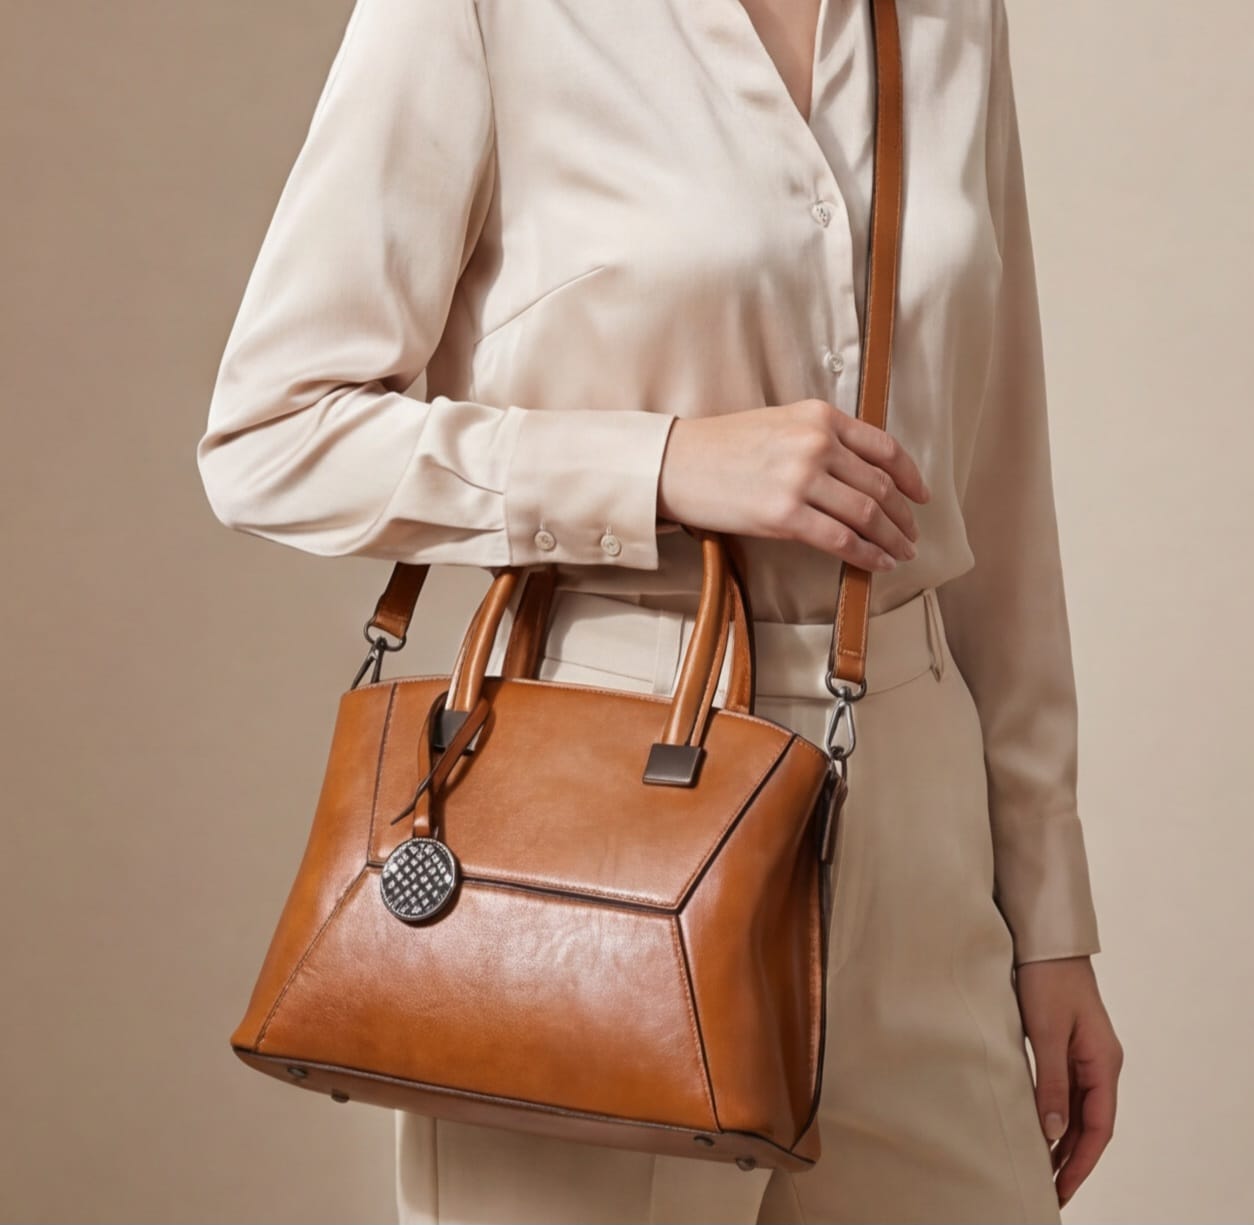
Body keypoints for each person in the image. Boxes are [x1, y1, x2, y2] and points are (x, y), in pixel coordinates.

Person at [197, 0, 1124, 1220]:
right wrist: (660, 464)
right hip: (596, 811)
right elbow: (271, 436)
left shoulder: (950, 19)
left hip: (918, 827)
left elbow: (996, 494)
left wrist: (1049, 914)